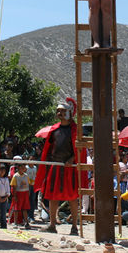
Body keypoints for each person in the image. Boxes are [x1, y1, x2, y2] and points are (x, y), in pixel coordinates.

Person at [34, 98, 87, 235]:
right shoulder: (54, 129)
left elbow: (80, 149)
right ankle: (52, 225)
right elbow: (49, 147)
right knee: (53, 197)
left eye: (62, 111)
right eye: (58, 111)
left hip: (70, 168)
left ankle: (74, 227)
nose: (59, 113)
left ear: (69, 112)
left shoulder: (75, 130)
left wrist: (72, 159)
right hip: (55, 166)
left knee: (72, 197)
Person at [9, 163, 31, 228]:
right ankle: (15, 222)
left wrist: (28, 193)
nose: (22, 169)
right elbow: (14, 186)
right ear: (18, 168)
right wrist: (15, 195)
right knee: (16, 209)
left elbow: (28, 184)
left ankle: (26, 222)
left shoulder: (26, 176)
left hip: (25, 193)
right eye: (21, 167)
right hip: (18, 193)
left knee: (25, 208)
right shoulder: (15, 176)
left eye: (23, 167)